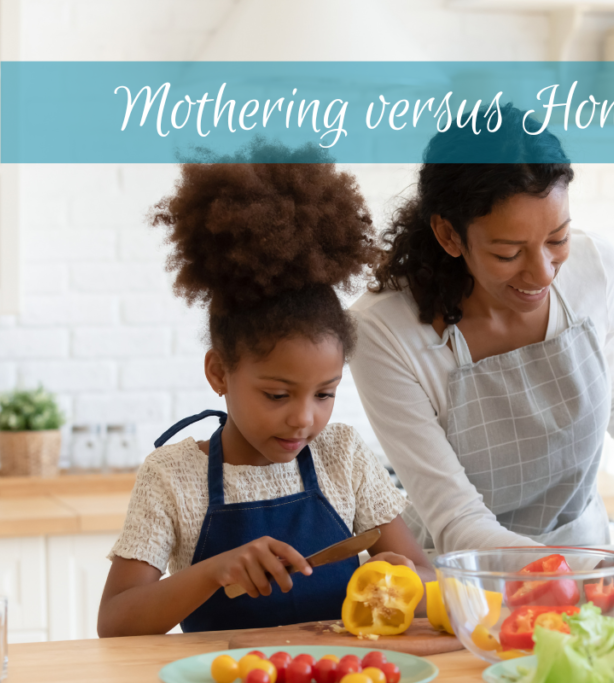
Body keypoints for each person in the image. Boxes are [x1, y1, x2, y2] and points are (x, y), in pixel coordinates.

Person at [349, 105, 614, 595]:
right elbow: (456, 516)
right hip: (469, 589)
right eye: (508, 253)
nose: (543, 273)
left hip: (590, 561)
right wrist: (587, 572)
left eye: (558, 238)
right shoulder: (383, 331)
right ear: (449, 235)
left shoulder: (595, 267)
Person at [97, 143, 430, 636]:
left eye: (325, 394)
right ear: (218, 373)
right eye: (277, 395)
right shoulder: (173, 478)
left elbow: (425, 579)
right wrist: (213, 571)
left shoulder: (344, 458)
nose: (304, 418)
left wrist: (408, 582)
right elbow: (115, 622)